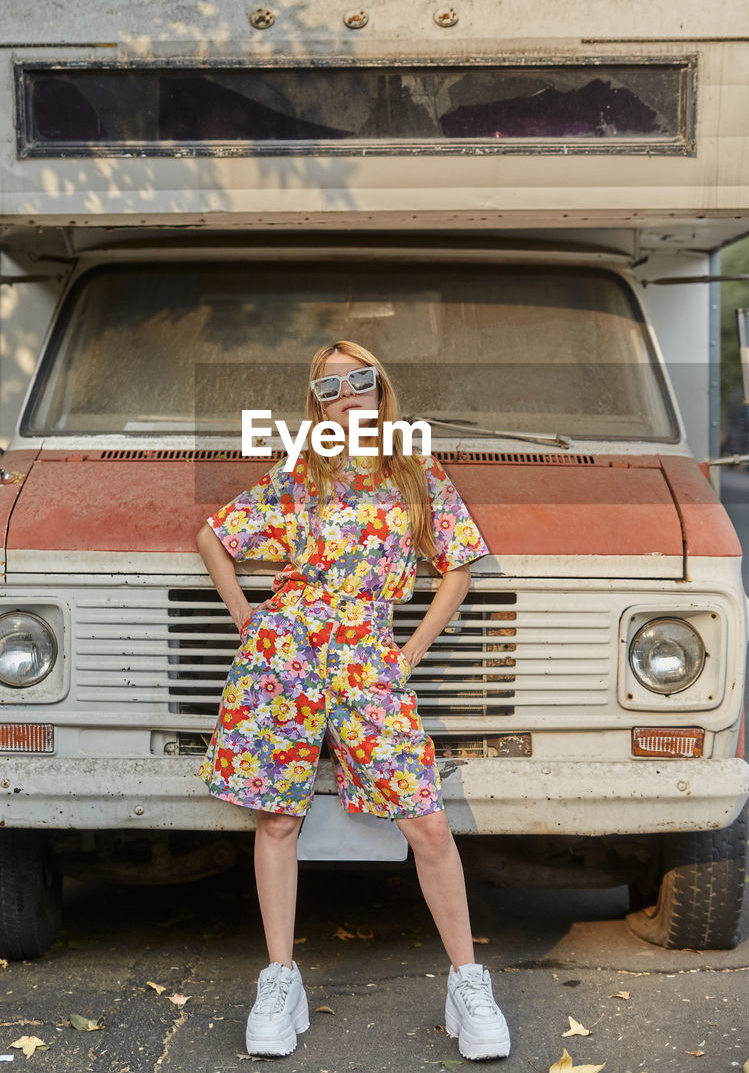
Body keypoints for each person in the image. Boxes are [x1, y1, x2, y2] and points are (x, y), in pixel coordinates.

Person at [196, 341, 511, 1062]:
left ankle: (467, 983)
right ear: (318, 402)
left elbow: (458, 564)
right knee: (277, 816)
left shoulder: (413, 468)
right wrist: (247, 614)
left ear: (380, 387)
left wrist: (412, 650)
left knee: (425, 819)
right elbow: (213, 537)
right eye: (330, 386)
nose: (347, 394)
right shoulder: (300, 470)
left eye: (359, 379)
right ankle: (280, 980)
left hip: (368, 650)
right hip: (286, 648)